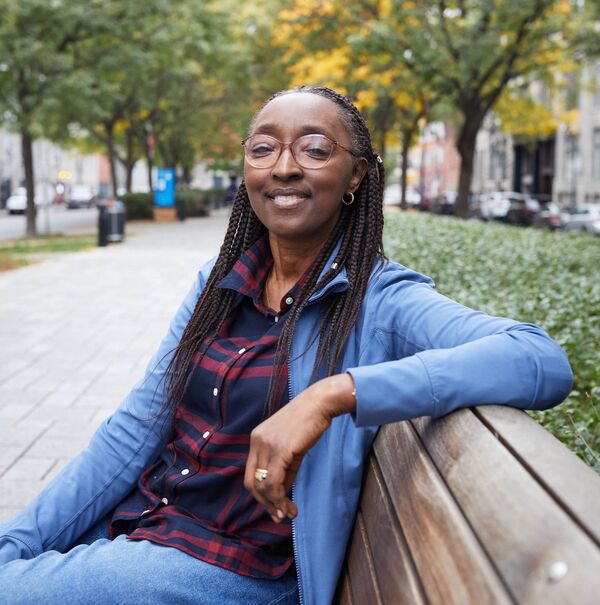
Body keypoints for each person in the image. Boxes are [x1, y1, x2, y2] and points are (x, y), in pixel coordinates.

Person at [0, 86, 573, 605]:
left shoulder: (381, 300)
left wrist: (334, 393)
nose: (284, 168)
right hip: (146, 526)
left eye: (316, 149)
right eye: (263, 149)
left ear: (356, 176)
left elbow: (538, 357)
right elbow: (132, 430)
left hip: (231, 568)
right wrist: (15, 542)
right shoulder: (220, 283)